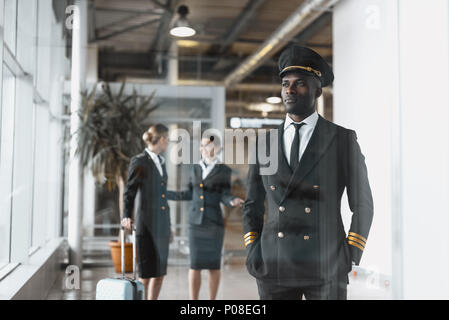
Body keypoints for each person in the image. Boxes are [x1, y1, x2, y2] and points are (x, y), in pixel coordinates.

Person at [242, 45, 374, 300]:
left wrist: (350, 254)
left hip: (325, 264)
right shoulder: (264, 143)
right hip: (274, 263)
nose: (290, 90)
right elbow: (252, 204)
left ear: (317, 90)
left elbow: (363, 203)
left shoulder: (342, 140)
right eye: (285, 84)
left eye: (300, 83)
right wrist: (252, 249)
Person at [168, 134, 244, 300]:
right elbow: (190, 193)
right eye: (201, 146)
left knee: (214, 266)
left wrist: (232, 201)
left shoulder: (224, 170)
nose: (202, 149)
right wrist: (167, 194)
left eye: (206, 145)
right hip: (195, 224)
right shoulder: (195, 168)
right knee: (194, 265)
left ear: (216, 148)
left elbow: (225, 194)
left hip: (214, 223)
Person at [121, 124, 172, 300]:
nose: (169, 143)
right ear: (163, 139)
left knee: (159, 274)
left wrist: (169, 226)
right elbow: (130, 191)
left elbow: (163, 196)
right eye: (168, 139)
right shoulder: (140, 161)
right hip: (147, 226)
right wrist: (126, 215)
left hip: (162, 226)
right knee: (146, 274)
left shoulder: (161, 162)